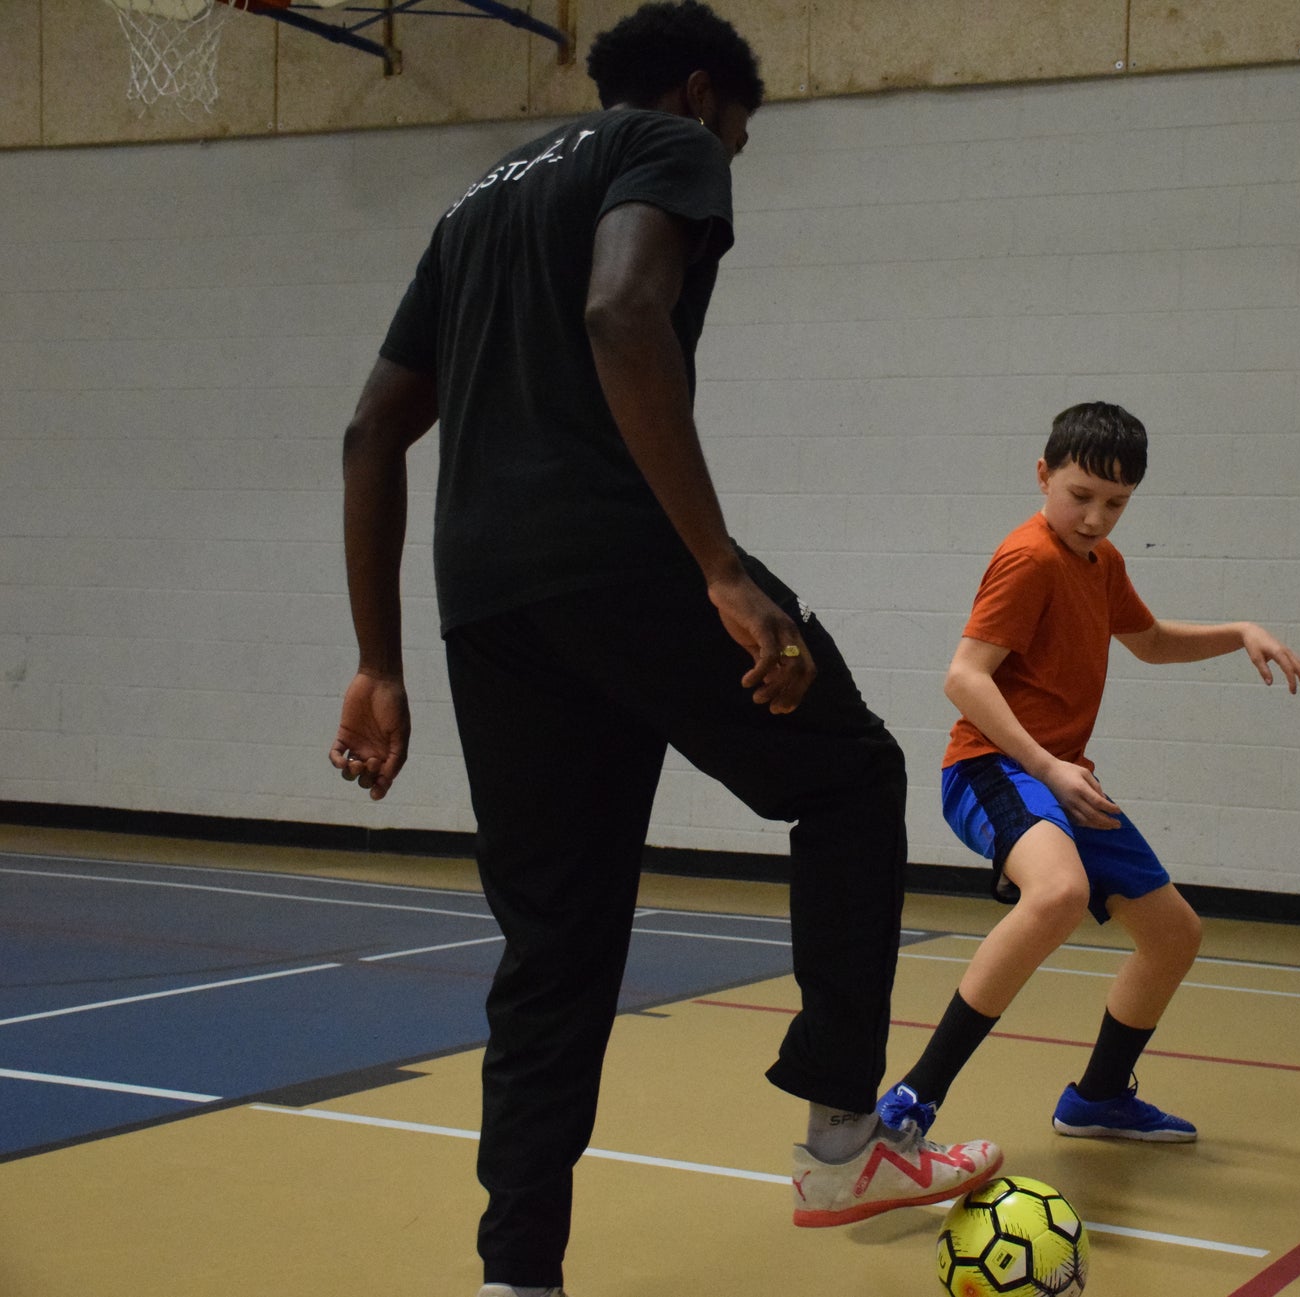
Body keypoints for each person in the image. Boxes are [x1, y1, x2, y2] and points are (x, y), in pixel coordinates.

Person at [325, 5, 999, 1294]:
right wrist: (720, 571)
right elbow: (622, 313)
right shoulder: (665, 144)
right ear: (699, 95)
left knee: (553, 949)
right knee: (849, 777)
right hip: (619, 556)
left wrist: (378, 660)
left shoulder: (474, 204)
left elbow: (370, 435)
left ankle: (517, 1274)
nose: (725, 170)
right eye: (736, 142)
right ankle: (843, 1141)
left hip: (486, 604)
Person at [875, 401, 1300, 1146]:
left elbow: (1151, 641)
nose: (1095, 518)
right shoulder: (1029, 559)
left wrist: (1241, 630)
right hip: (993, 766)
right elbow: (964, 677)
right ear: (1043, 475)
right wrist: (1047, 765)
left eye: (1116, 504)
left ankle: (1100, 1097)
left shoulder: (1102, 562)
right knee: (1059, 893)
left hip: (1061, 778)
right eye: (1081, 496)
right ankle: (913, 1098)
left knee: (1173, 934)